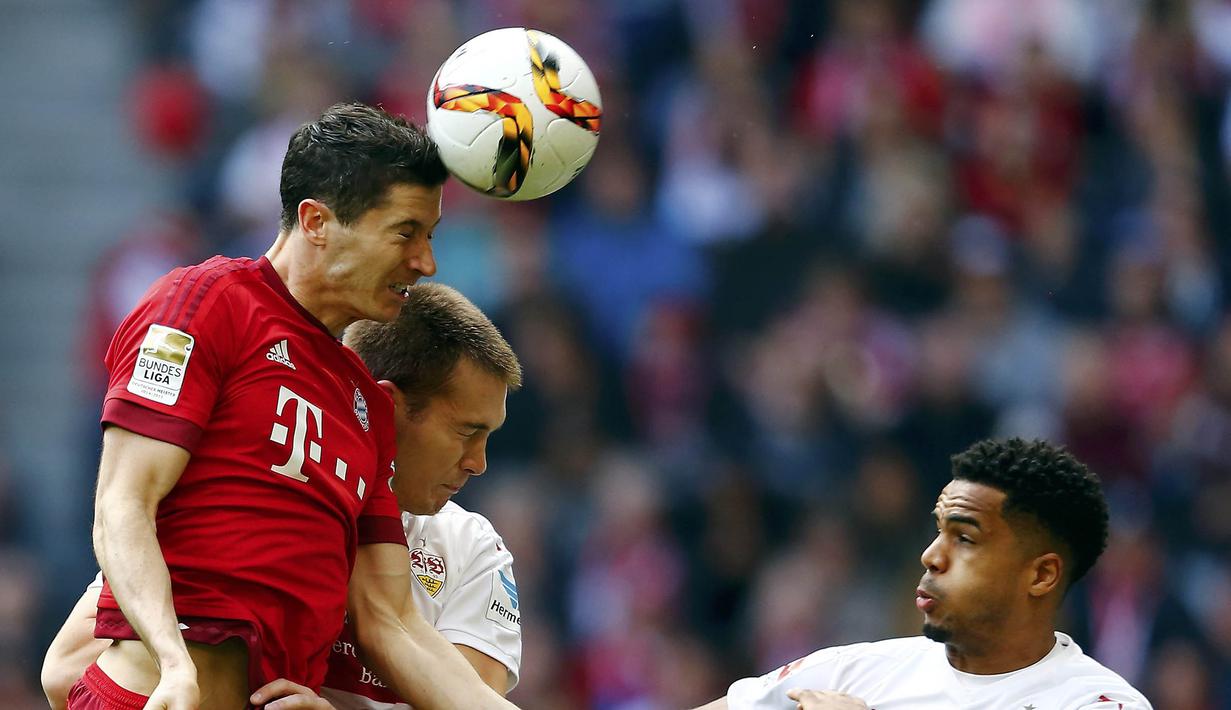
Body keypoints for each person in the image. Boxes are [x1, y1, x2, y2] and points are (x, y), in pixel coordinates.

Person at [73, 102, 517, 709]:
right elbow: (123, 501)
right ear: (316, 222)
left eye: (430, 236)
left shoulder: (362, 400)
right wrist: (173, 662)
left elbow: (392, 622)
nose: (426, 263)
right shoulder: (204, 303)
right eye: (405, 233)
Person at [43, 283, 524, 710]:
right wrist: (204, 677)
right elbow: (67, 671)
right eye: (467, 432)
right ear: (389, 406)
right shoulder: (263, 499)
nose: (478, 462)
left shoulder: (472, 551)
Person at [696, 438, 1153, 709]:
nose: (931, 556)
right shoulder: (847, 674)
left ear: (1041, 575)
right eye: (939, 531)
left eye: (966, 539)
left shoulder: (1095, 701)